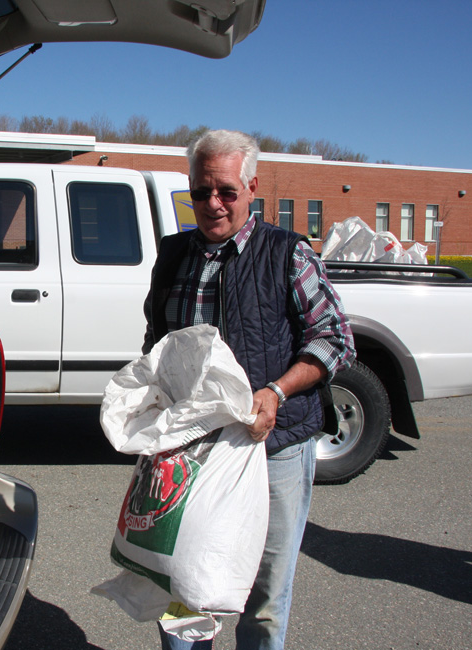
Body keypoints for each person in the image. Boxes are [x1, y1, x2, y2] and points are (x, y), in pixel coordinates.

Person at [143, 130, 355, 650]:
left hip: (272, 449)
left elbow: (334, 339)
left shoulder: (288, 254)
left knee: (263, 597)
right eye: (200, 192)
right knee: (184, 588)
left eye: (226, 192)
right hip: (190, 450)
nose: (212, 204)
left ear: (251, 188)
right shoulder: (173, 255)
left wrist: (276, 392)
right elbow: (157, 343)